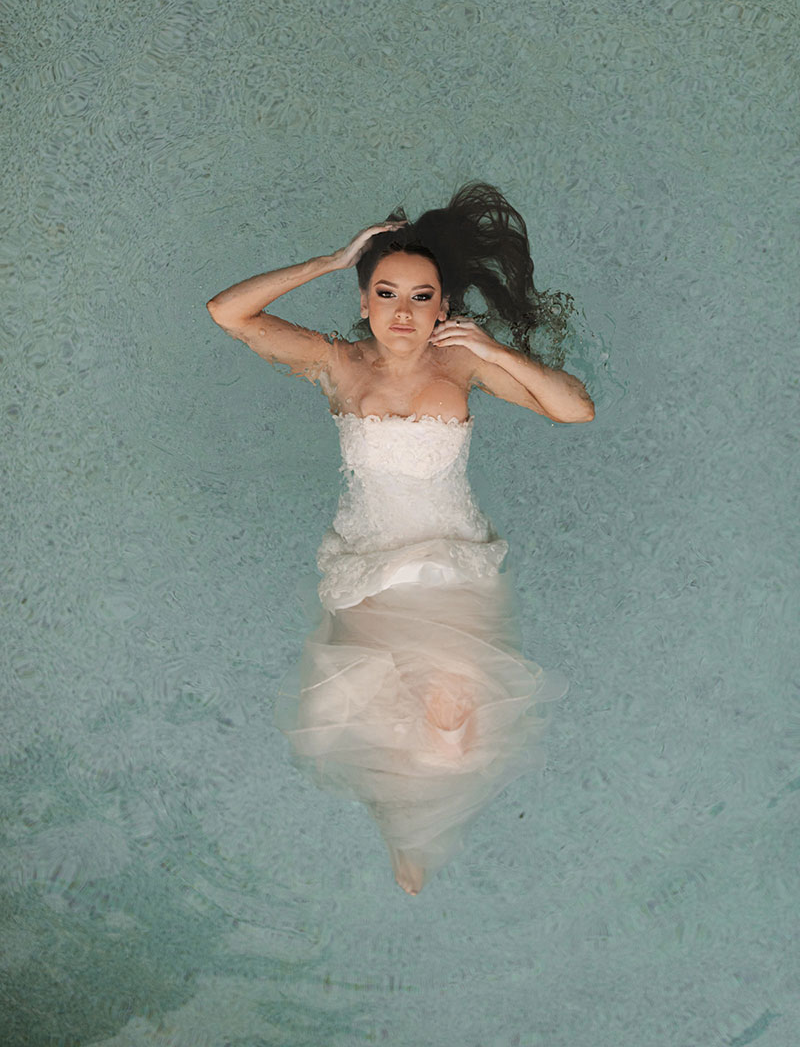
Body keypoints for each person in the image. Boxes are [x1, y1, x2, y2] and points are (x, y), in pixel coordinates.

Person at [206, 181, 594, 895]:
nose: (403, 313)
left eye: (422, 298)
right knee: (385, 730)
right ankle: (398, 822)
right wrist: (328, 260)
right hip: (370, 575)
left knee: (449, 746)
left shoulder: (463, 364)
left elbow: (575, 411)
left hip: (452, 572)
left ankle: (410, 825)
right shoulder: (338, 365)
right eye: (386, 294)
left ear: (442, 306)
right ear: (364, 302)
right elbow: (227, 312)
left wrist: (494, 351)